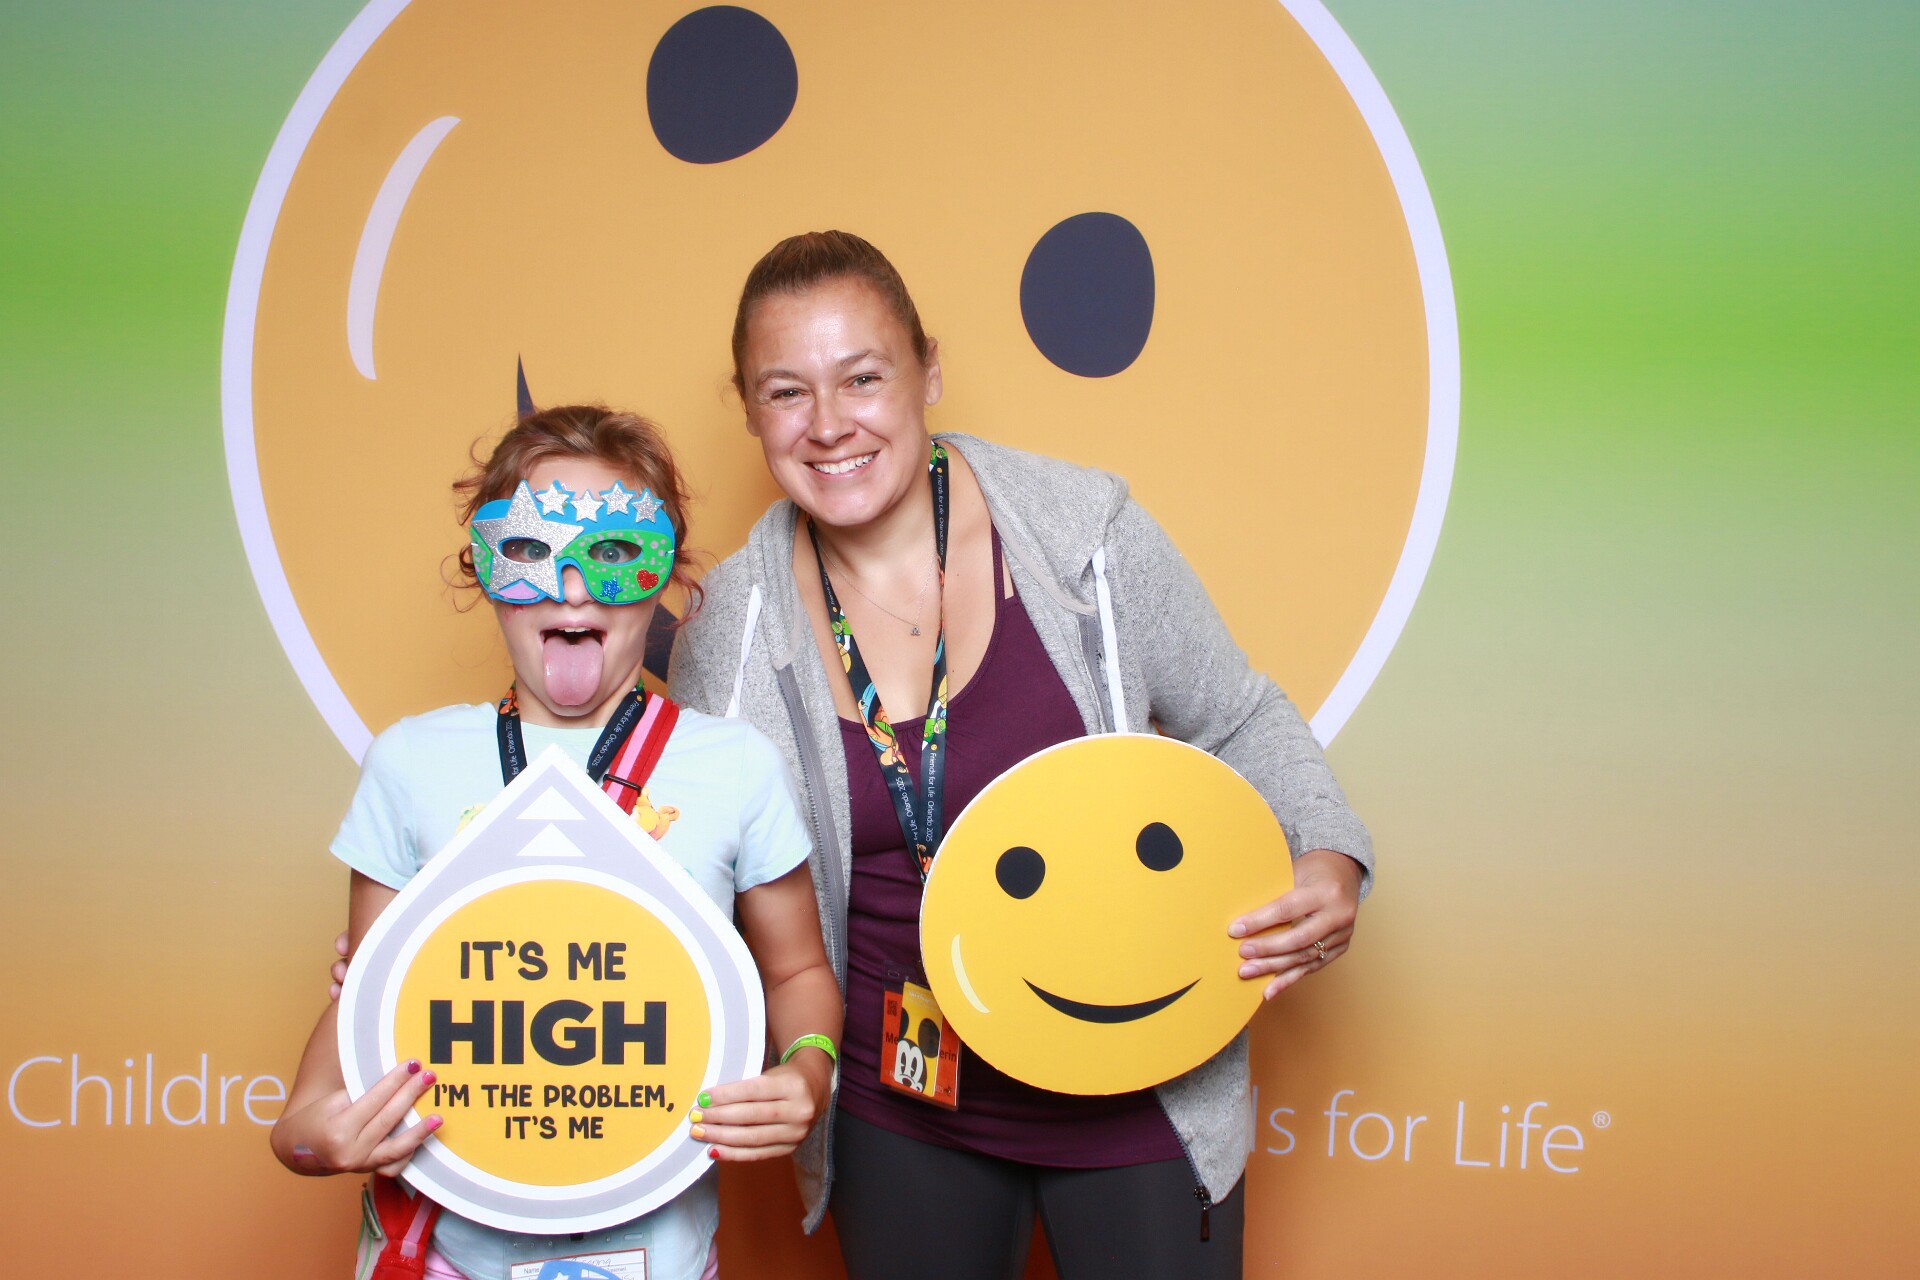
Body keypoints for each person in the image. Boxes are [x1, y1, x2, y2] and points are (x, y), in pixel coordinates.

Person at [667, 232, 1375, 1279]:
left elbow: (1236, 716)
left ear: (928, 370)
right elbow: (692, 870)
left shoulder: (1082, 534)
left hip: (1138, 1059)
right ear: (748, 410)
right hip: (902, 1098)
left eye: (863, 377)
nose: (828, 424)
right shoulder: (733, 620)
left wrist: (1328, 852)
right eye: (786, 392)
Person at [273, 405, 842, 1280]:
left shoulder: (734, 768)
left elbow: (797, 972)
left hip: (659, 1253)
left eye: (612, 553)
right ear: (485, 569)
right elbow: (370, 998)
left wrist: (808, 1071)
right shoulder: (411, 763)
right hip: (443, 1254)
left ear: (663, 575)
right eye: (531, 551)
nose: (572, 589)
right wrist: (313, 1130)